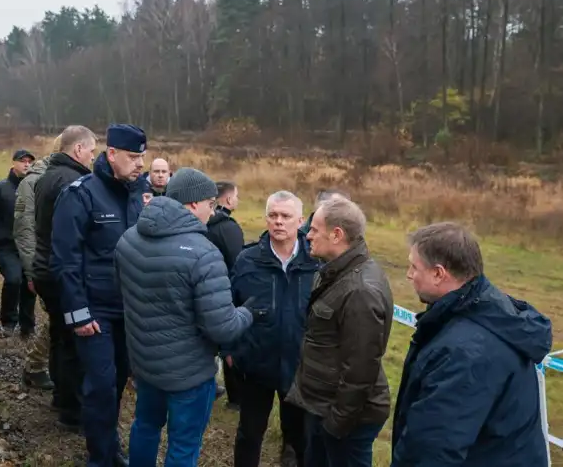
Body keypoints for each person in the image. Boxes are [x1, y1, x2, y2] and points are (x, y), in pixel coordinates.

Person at [116, 168, 256, 467]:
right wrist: (247, 313)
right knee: (183, 444)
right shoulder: (203, 254)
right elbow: (222, 327)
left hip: (145, 363)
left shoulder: (129, 239)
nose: (212, 211)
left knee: (145, 426)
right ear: (193, 204)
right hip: (188, 374)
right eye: (210, 204)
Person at [391, 222, 552, 467]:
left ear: (438, 273)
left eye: (414, 267)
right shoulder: (484, 308)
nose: (409, 274)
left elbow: (434, 449)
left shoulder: (465, 353)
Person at [51, 124, 147, 467]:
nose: (139, 164)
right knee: (101, 384)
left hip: (130, 310)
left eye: (142, 157)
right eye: (133, 157)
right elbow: (64, 258)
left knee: (120, 379)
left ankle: (109, 443)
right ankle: (101, 457)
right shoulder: (81, 194)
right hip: (96, 312)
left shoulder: (142, 195)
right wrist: (78, 312)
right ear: (112, 154)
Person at [285, 198, 392, 467]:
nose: (307, 234)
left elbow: (361, 367)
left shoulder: (360, 290)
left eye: (314, 229)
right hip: (323, 407)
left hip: (346, 417)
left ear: (337, 235)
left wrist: (336, 423)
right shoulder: (334, 271)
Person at [225, 191, 320, 467]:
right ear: (266, 219)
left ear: (301, 220)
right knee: (249, 434)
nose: (279, 222)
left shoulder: (316, 263)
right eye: (273, 215)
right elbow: (228, 305)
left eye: (286, 216)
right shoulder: (247, 260)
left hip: (300, 368)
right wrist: (230, 349)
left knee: (299, 438)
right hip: (256, 365)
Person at [32, 125, 98, 432]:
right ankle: (73, 411)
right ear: (78, 150)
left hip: (44, 267)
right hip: (61, 270)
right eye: (92, 151)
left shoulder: (46, 176)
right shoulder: (75, 182)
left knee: (59, 335)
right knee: (73, 342)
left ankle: (61, 396)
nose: (94, 157)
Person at [14, 135, 62, 390]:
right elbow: (24, 230)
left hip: (62, 261)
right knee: (57, 316)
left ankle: (48, 363)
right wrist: (32, 272)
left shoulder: (70, 177)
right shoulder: (32, 182)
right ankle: (35, 365)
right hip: (45, 263)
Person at [0, 149, 37, 336]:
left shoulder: (35, 189)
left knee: (30, 284)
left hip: (29, 246)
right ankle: (8, 322)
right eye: (22, 161)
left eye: (30, 162)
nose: (27, 164)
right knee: (13, 279)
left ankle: (27, 326)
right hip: (6, 245)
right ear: (13, 163)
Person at [205, 180, 245, 409]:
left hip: (207, 291)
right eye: (236, 196)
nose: (237, 200)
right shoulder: (228, 228)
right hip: (225, 292)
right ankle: (236, 397)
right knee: (229, 342)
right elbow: (237, 262)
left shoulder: (206, 223)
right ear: (228, 199)